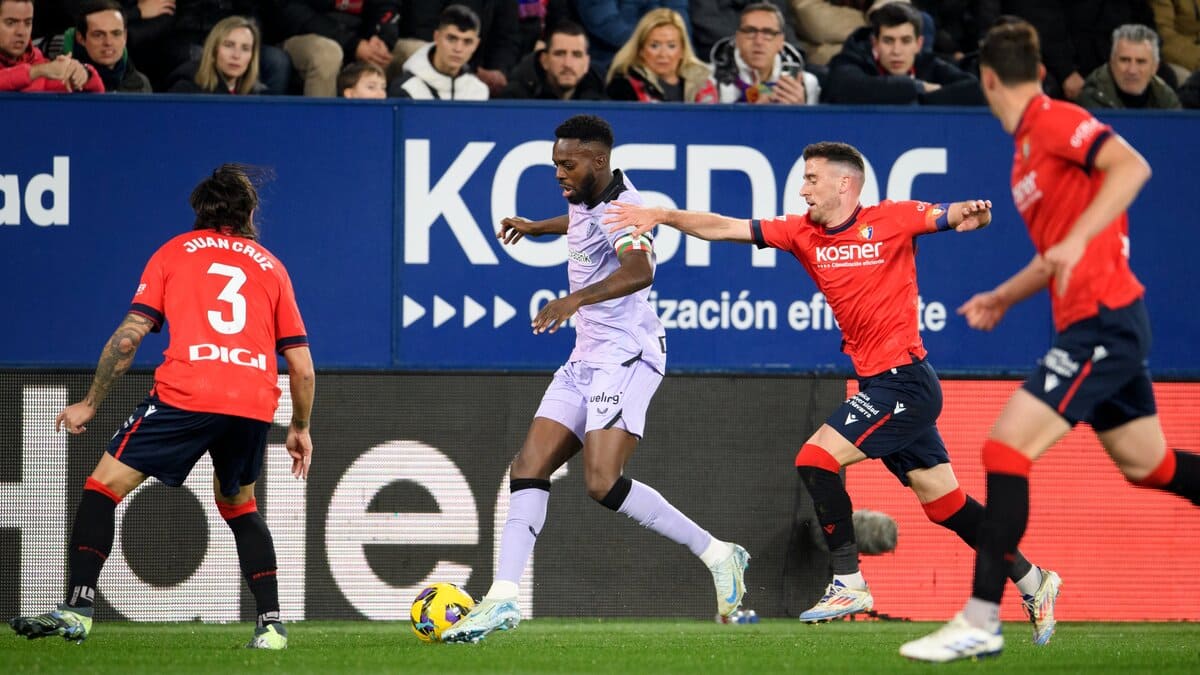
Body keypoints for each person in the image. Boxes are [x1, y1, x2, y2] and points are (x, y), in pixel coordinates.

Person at [605, 141, 1058, 627]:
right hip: (883, 386)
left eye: (812, 179)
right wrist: (663, 215)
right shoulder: (801, 232)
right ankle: (1034, 580)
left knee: (815, 458)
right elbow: (724, 226)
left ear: (845, 183)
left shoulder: (894, 218)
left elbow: (957, 217)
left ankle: (849, 583)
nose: (802, 190)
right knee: (945, 504)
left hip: (904, 384)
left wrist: (975, 215)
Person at [899, 20, 1200, 663]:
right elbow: (1056, 253)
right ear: (1035, 69)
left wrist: (1078, 237)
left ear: (985, 79)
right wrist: (1004, 296)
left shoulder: (1055, 120)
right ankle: (986, 615)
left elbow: (1132, 165)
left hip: (1106, 320)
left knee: (1005, 449)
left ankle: (982, 616)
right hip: (1097, 322)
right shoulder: (1025, 157)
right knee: (1151, 465)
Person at [440, 114, 749, 644]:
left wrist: (572, 299)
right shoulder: (585, 197)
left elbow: (640, 271)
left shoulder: (626, 207)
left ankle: (718, 553)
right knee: (528, 466)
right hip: (585, 358)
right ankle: (502, 599)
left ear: (598, 161)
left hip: (626, 357)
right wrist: (539, 227)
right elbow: (583, 226)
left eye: (567, 163)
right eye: (555, 163)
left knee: (601, 482)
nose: (558, 172)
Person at [8, 164, 315, 650]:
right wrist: (299, 426)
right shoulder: (271, 266)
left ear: (200, 211)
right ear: (250, 212)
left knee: (101, 487)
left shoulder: (173, 253)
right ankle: (272, 624)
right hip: (254, 399)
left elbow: (129, 339)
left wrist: (90, 403)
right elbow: (301, 367)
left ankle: (79, 607)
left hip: (187, 392)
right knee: (240, 505)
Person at [823, 1, 982, 105]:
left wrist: (919, 98)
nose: (896, 51)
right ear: (875, 43)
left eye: (905, 41)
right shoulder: (852, 58)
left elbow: (974, 90)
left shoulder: (929, 64)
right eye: (888, 41)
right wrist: (918, 87)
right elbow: (845, 88)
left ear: (918, 44)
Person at [277, 0, 400, 98]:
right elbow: (294, 11)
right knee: (327, 54)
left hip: (363, 37)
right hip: (301, 34)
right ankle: (323, 126)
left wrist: (382, 37)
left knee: (411, 51)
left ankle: (394, 126)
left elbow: (387, 6)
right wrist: (352, 43)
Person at [710, 1, 820, 104]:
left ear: (780, 42)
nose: (758, 41)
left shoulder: (805, 84)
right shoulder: (711, 81)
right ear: (737, 39)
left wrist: (800, 112)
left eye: (768, 33)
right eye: (750, 31)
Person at [605, 7, 718, 103]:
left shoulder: (702, 83)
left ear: (683, 51)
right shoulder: (623, 86)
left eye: (671, 46)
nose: (663, 54)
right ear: (641, 50)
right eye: (654, 46)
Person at [388, 4, 488, 100]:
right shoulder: (407, 88)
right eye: (451, 39)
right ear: (436, 37)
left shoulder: (479, 92)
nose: (458, 49)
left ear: (476, 45)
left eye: (467, 42)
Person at [0, 0, 103, 93]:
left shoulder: (38, 63)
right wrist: (36, 71)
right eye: (11, 23)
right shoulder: (41, 69)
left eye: (27, 23)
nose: (21, 32)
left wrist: (84, 74)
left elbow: (99, 96)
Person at [1077, 24, 1181, 110]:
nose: (1132, 70)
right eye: (1124, 60)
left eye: (1141, 62)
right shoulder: (1091, 97)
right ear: (1112, 63)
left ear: (1155, 67)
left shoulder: (1166, 97)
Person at [54, 0, 151, 93]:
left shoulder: (141, 83)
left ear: (125, 36)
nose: (108, 42)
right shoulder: (59, 81)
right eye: (98, 35)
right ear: (81, 38)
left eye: (116, 33)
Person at [500, 20, 606, 101]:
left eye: (576, 55)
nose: (567, 64)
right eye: (559, 54)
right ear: (544, 60)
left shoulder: (600, 96)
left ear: (586, 63)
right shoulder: (516, 98)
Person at [168, 15, 264, 94]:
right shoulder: (187, 87)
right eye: (228, 45)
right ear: (213, 50)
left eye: (245, 48)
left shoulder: (253, 94)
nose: (236, 55)